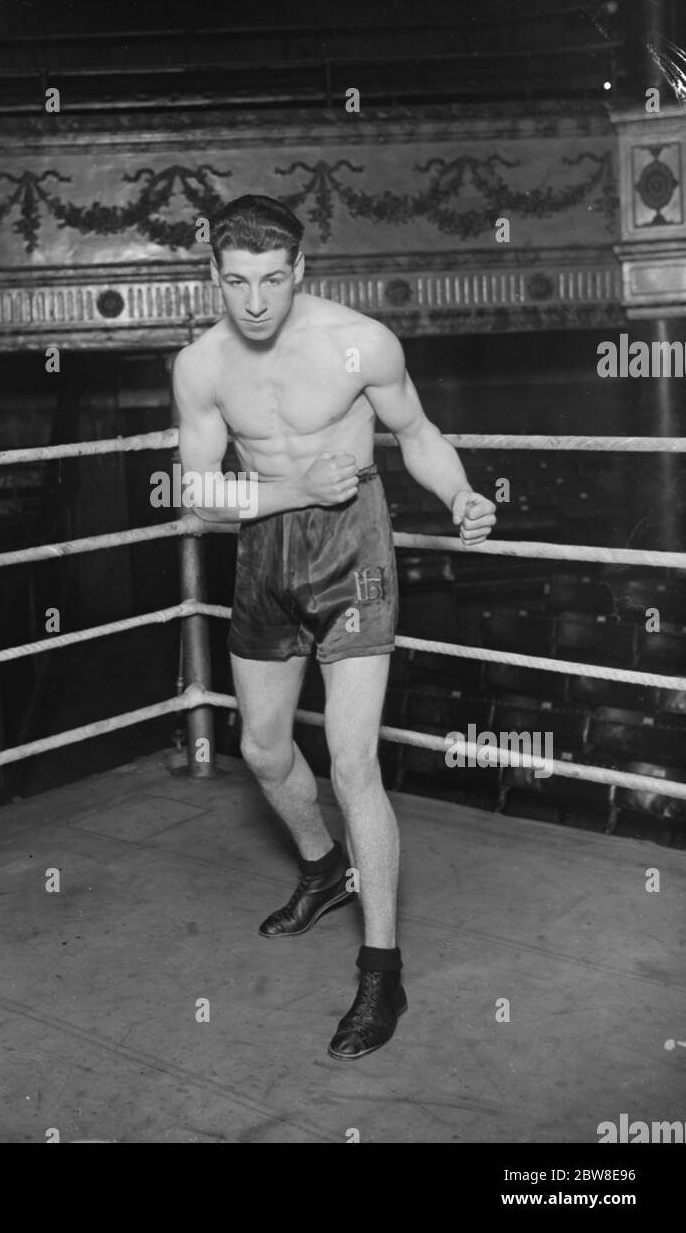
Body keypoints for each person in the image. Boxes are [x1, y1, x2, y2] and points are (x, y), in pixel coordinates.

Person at [172, 193, 497, 1059]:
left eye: (273, 280)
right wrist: (290, 492)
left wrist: (458, 491)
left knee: (352, 762)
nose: (254, 302)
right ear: (213, 274)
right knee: (265, 751)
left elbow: (418, 432)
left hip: (356, 552)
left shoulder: (362, 343)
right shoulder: (202, 367)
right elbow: (198, 495)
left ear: (301, 271)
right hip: (265, 556)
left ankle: (382, 972)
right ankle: (323, 868)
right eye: (236, 281)